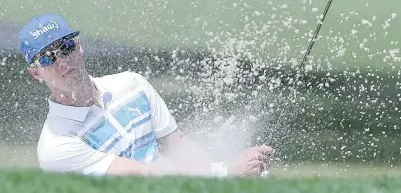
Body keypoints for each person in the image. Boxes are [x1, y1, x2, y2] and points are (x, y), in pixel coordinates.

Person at [19, 13, 274, 177]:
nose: (62, 60)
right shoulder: (57, 146)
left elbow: (183, 152)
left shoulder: (133, 85)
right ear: (35, 73)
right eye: (47, 57)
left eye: (66, 47)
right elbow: (145, 177)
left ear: (80, 45)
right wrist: (226, 172)